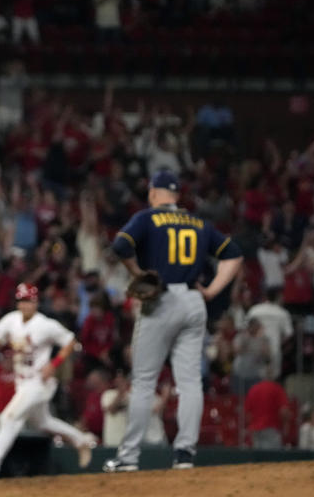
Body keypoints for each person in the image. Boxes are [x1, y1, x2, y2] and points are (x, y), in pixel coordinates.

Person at [103, 170, 242, 472]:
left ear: (154, 192)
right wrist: (213, 290)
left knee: (143, 383)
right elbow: (233, 255)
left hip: (161, 300)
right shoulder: (199, 223)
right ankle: (184, 455)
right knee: (190, 382)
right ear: (177, 196)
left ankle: (128, 458)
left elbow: (120, 246)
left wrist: (137, 274)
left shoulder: (147, 218)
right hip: (193, 301)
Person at [0, 283, 98, 481]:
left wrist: (54, 364)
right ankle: (81, 440)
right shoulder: (11, 320)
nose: (24, 305)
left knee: (9, 417)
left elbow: (71, 342)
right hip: (22, 382)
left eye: (28, 301)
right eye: (21, 301)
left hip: (39, 382)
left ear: (36, 302)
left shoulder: (46, 324)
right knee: (43, 422)